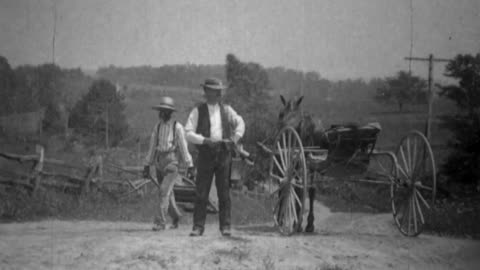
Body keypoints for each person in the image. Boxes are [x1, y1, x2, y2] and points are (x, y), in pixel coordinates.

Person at [185, 77, 245, 237]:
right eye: (212, 91)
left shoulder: (227, 110)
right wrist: (204, 140)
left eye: (218, 91)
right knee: (201, 192)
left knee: (224, 192)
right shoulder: (197, 111)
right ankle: (198, 227)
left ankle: (225, 226)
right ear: (206, 92)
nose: (216, 94)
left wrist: (235, 139)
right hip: (205, 154)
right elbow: (188, 132)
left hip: (224, 154)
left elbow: (240, 123)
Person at [143, 96, 194, 231]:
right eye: (162, 111)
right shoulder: (157, 127)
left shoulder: (177, 127)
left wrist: (190, 165)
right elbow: (152, 146)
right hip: (159, 162)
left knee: (163, 191)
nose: (163, 113)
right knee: (167, 194)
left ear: (170, 112)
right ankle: (176, 216)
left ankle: (160, 222)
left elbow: (183, 147)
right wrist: (147, 164)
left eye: (166, 111)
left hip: (172, 163)